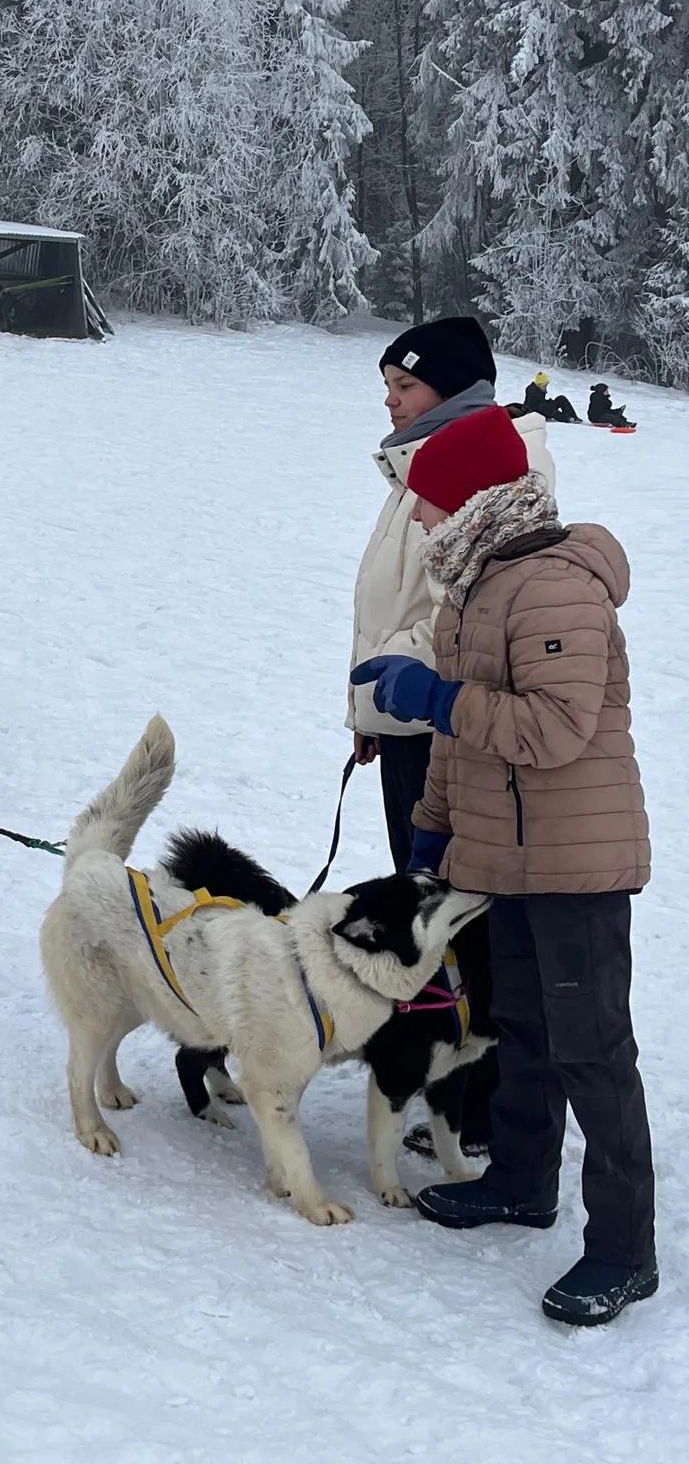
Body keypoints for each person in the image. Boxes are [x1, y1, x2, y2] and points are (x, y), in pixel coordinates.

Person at [351, 404, 656, 1328]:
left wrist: (437, 697)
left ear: (477, 497)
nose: (421, 521)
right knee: (519, 1026)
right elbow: (459, 744)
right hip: (505, 858)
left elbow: (552, 731)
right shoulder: (475, 584)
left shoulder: (555, 587)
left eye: (430, 504)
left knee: (592, 1052)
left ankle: (624, 1249)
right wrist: (434, 831)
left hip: (576, 860)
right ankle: (523, 1182)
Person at [350, 318, 554, 1160]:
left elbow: (459, 615)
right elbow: (397, 603)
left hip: (451, 724)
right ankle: (449, 1083)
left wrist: (404, 690)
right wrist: (372, 718)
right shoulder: (421, 462)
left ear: (452, 387)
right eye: (389, 388)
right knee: (431, 909)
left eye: (404, 386)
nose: (390, 402)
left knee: (464, 918)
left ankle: (479, 1101)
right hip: (411, 729)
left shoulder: (495, 464)